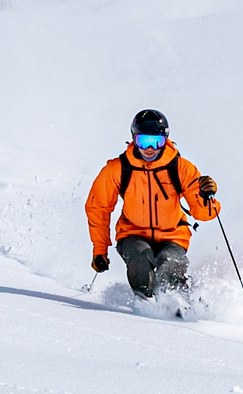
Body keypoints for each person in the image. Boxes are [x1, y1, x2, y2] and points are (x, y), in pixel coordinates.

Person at [85, 109, 220, 298]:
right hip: (132, 233)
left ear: (165, 140)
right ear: (134, 139)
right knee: (141, 259)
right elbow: (98, 207)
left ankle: (180, 305)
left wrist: (206, 196)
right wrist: (100, 250)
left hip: (172, 235)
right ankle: (146, 310)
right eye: (143, 141)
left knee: (171, 263)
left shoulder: (181, 168)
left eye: (157, 142)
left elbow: (204, 214)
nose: (150, 148)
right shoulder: (118, 169)